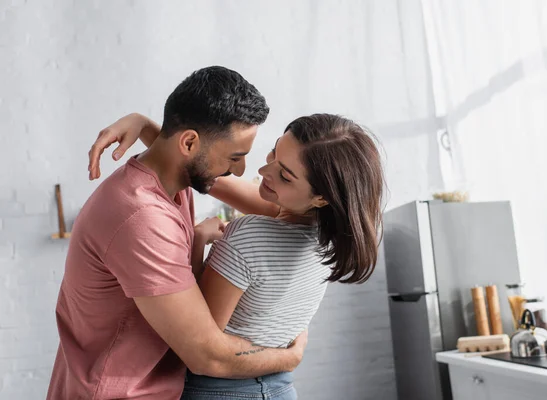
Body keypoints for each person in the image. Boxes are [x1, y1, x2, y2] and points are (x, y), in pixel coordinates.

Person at [47, 66, 307, 400]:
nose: (241, 170)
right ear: (188, 142)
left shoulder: (177, 176)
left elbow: (275, 206)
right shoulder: (141, 217)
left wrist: (144, 124)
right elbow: (206, 356)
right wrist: (290, 357)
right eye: (235, 156)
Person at [89, 111, 384, 399]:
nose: (263, 172)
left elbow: (200, 334)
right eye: (273, 154)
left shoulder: (249, 234)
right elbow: (203, 172)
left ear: (321, 197)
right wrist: (145, 126)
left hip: (218, 390)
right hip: (281, 389)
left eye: (284, 175)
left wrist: (198, 240)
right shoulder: (332, 238)